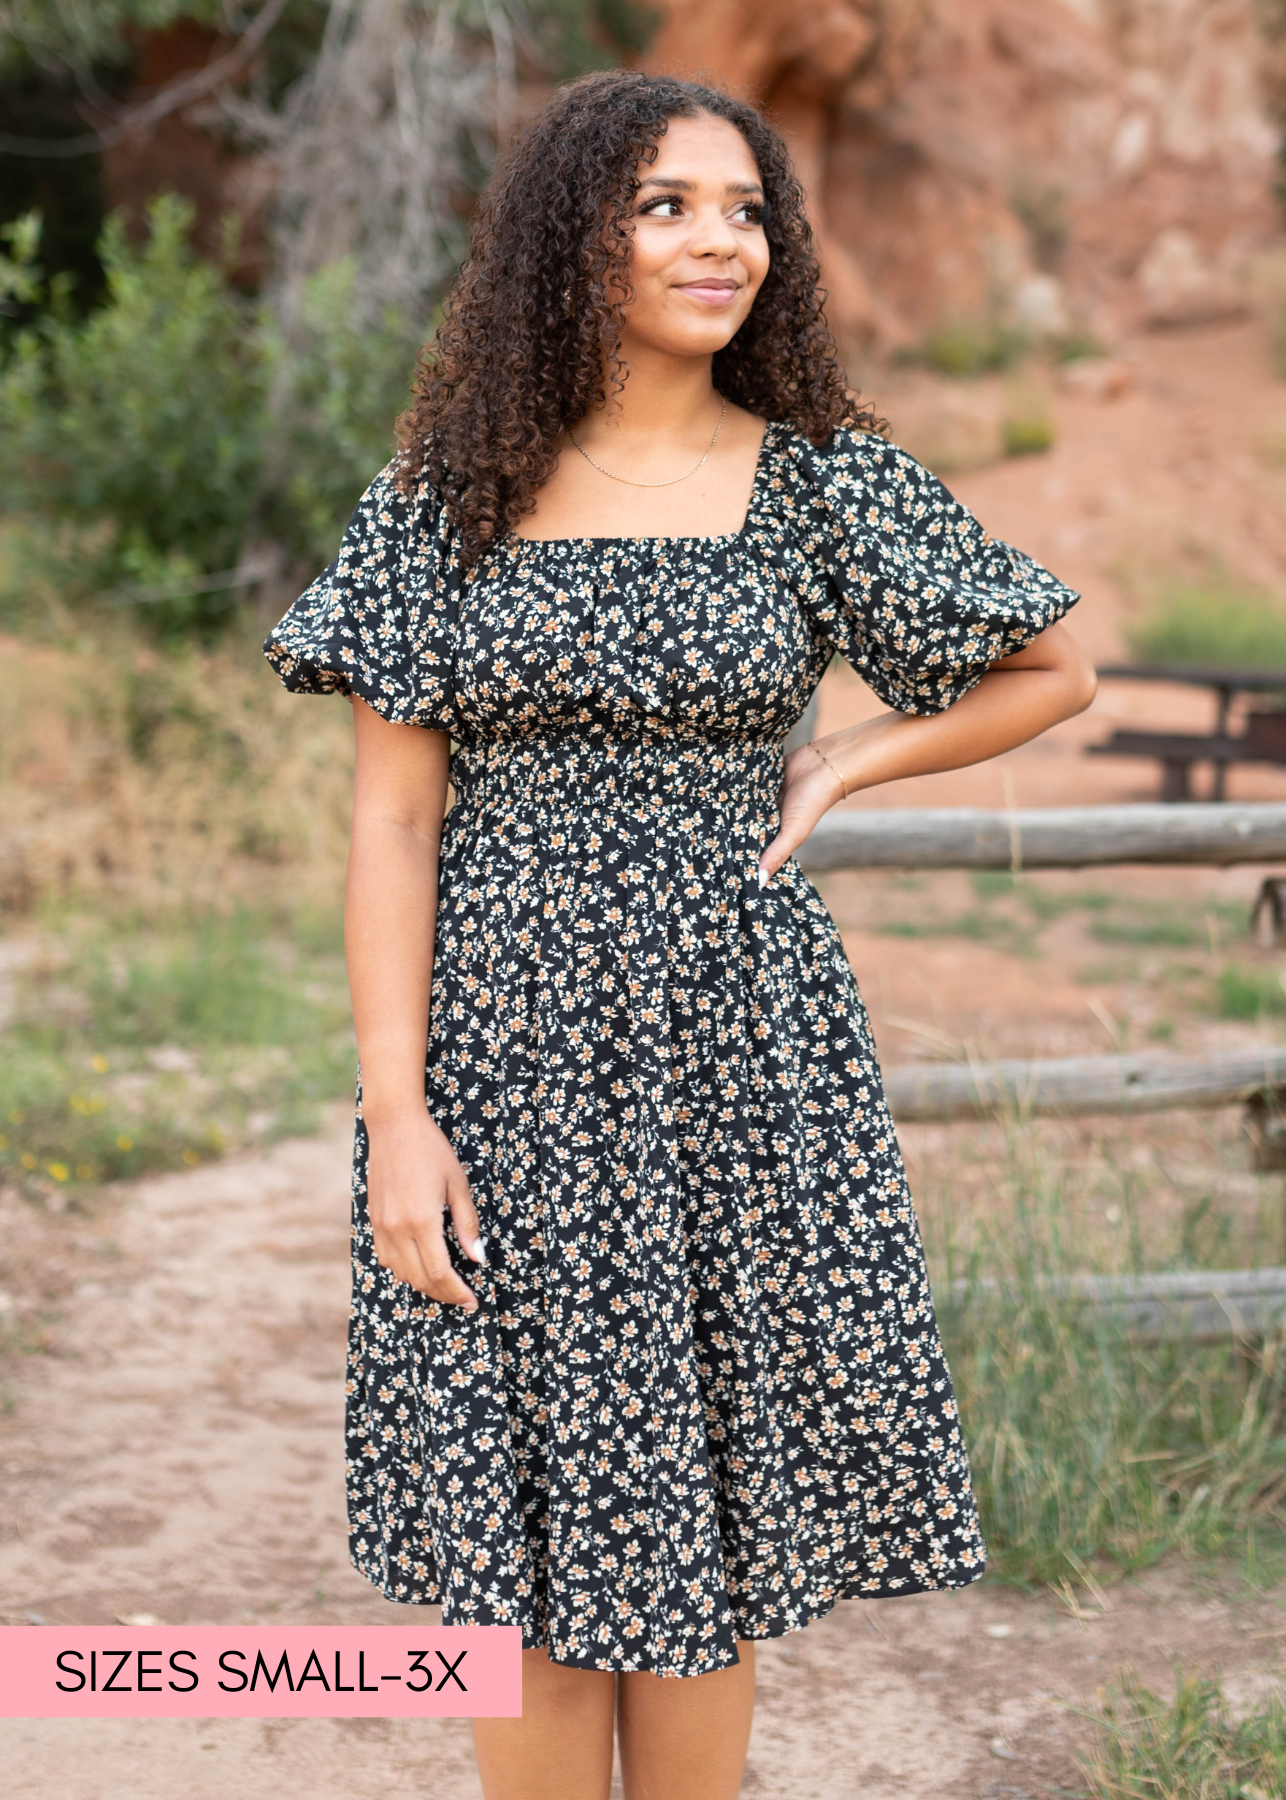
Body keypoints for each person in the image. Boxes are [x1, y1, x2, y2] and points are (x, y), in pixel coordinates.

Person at [264, 68, 1096, 1800]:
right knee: (526, 1531)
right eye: (666, 206)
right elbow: (391, 819)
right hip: (499, 1061)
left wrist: (864, 749)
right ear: (574, 241)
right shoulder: (447, 496)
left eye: (743, 210)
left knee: (688, 1523)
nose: (719, 241)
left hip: (735, 1053)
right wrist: (393, 1110)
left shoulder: (815, 485)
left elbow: (1047, 667)